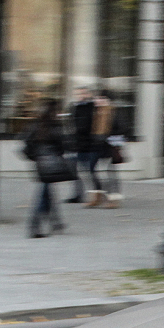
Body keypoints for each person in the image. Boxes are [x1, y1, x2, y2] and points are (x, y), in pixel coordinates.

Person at [22, 99, 71, 238]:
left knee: (48, 191)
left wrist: (35, 157)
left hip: (40, 164)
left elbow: (25, 145)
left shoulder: (34, 125)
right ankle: (34, 226)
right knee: (43, 195)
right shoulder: (56, 126)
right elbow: (63, 146)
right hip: (52, 164)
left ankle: (56, 222)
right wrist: (57, 155)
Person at [86, 91, 126, 208]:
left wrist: (109, 137)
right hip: (95, 144)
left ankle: (113, 199)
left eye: (99, 98)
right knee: (91, 169)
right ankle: (97, 195)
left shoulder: (114, 112)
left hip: (109, 145)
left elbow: (122, 127)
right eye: (96, 98)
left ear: (106, 99)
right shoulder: (95, 112)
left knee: (110, 172)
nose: (96, 101)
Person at [66, 88, 98, 204]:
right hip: (76, 144)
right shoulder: (74, 107)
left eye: (83, 93)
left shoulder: (91, 107)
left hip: (89, 145)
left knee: (90, 171)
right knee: (75, 171)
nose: (80, 95)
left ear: (88, 94)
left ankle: (97, 194)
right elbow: (70, 123)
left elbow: (86, 125)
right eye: (78, 93)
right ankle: (78, 195)